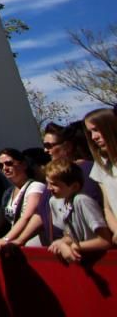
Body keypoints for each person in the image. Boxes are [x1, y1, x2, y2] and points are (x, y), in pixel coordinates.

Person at [0, 148, 51, 249]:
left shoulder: (35, 187)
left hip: (37, 246)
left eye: (9, 163)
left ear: (23, 165)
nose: (5, 168)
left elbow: (27, 216)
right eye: (1, 165)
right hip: (17, 247)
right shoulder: (8, 193)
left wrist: (6, 239)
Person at [44, 158, 113, 264]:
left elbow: (105, 241)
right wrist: (61, 243)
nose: (49, 188)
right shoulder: (56, 201)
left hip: (101, 261)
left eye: (55, 184)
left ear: (74, 186)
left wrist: (74, 246)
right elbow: (70, 235)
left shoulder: (82, 201)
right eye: (48, 183)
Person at [84, 107, 117, 235]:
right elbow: (107, 208)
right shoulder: (101, 166)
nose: (94, 137)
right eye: (90, 132)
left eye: (96, 130)